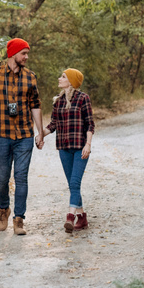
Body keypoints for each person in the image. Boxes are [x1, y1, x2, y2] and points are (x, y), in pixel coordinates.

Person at [0, 38, 44, 235]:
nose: (26, 57)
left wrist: (40, 132)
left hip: (24, 135)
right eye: (23, 53)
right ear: (13, 54)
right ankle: (3, 209)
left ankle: (19, 219)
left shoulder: (30, 77)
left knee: (21, 177)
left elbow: (36, 106)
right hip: (1, 135)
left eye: (27, 54)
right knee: (1, 178)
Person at [43, 68, 94, 233]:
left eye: (63, 77)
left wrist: (88, 144)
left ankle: (70, 217)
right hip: (64, 148)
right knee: (72, 185)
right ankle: (82, 217)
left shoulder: (83, 98)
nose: (59, 78)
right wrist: (40, 134)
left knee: (74, 183)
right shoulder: (58, 101)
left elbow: (90, 124)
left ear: (71, 81)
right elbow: (53, 125)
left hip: (80, 148)